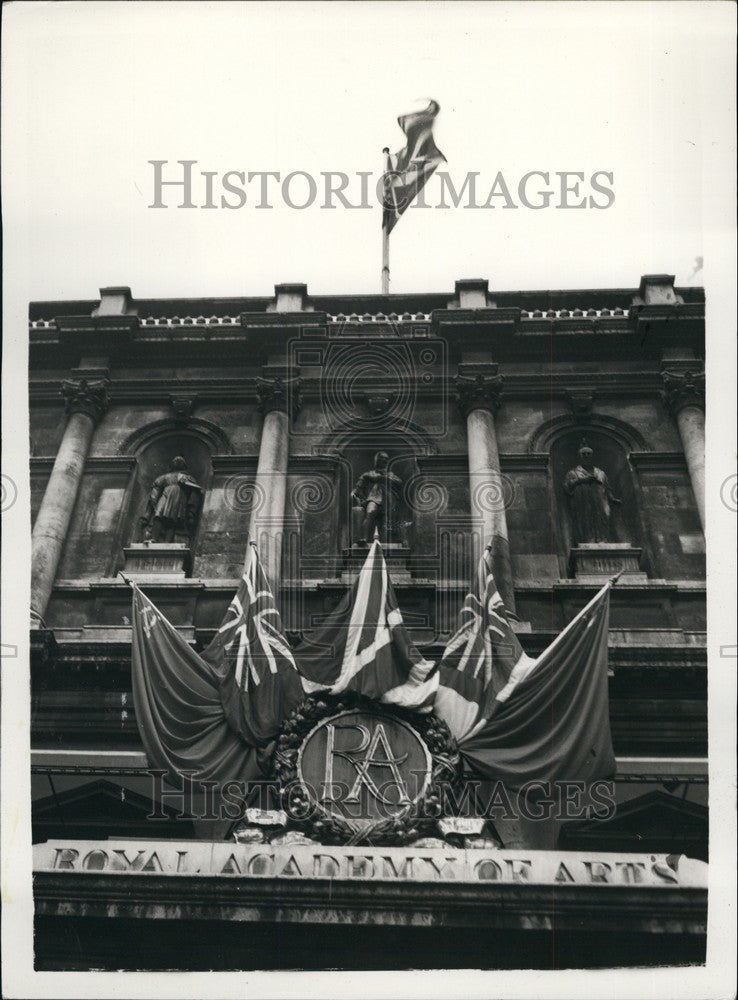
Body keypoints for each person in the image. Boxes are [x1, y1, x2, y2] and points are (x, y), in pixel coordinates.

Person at [563, 441, 621, 544]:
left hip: (600, 501)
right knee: (585, 520)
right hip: (583, 502)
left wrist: (612, 498)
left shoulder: (601, 473)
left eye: (589, 454)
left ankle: (604, 539)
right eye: (584, 454)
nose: (586, 456)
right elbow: (567, 486)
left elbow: (607, 488)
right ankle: (587, 540)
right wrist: (581, 480)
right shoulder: (573, 472)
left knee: (603, 519)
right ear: (579, 457)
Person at [140, 456, 203, 543]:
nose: (177, 462)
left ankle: (167, 541)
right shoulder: (164, 477)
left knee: (173, 518)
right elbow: (156, 488)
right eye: (175, 461)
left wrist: (191, 512)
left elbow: (195, 491)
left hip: (178, 498)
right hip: (165, 495)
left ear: (184, 466)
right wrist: (153, 501)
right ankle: (154, 538)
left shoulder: (187, 477)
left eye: (180, 461)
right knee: (158, 514)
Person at [351, 451, 405, 546]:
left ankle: (385, 543)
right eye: (381, 458)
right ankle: (364, 538)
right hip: (373, 498)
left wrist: (384, 478)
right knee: (371, 511)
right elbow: (359, 486)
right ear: (376, 460)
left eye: (385, 459)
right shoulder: (368, 474)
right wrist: (354, 492)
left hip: (389, 501)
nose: (383, 460)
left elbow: (399, 482)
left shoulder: (390, 474)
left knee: (385, 520)